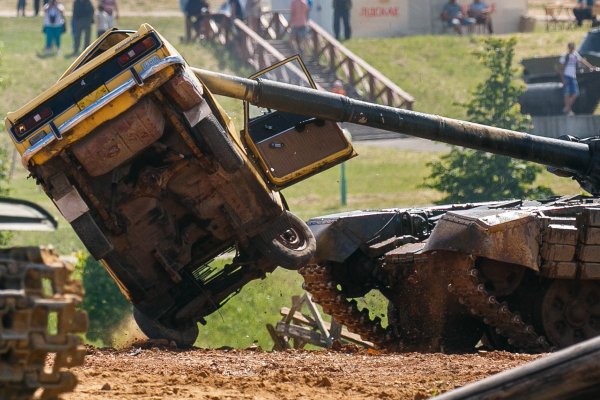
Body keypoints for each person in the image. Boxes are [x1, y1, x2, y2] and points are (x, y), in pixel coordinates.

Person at [558, 42, 597, 116]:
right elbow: (560, 68)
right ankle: (568, 110)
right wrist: (563, 79)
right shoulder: (565, 56)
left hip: (573, 76)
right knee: (567, 93)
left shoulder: (575, 54)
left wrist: (591, 67)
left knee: (575, 93)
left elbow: (582, 61)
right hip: (567, 76)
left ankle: (567, 108)